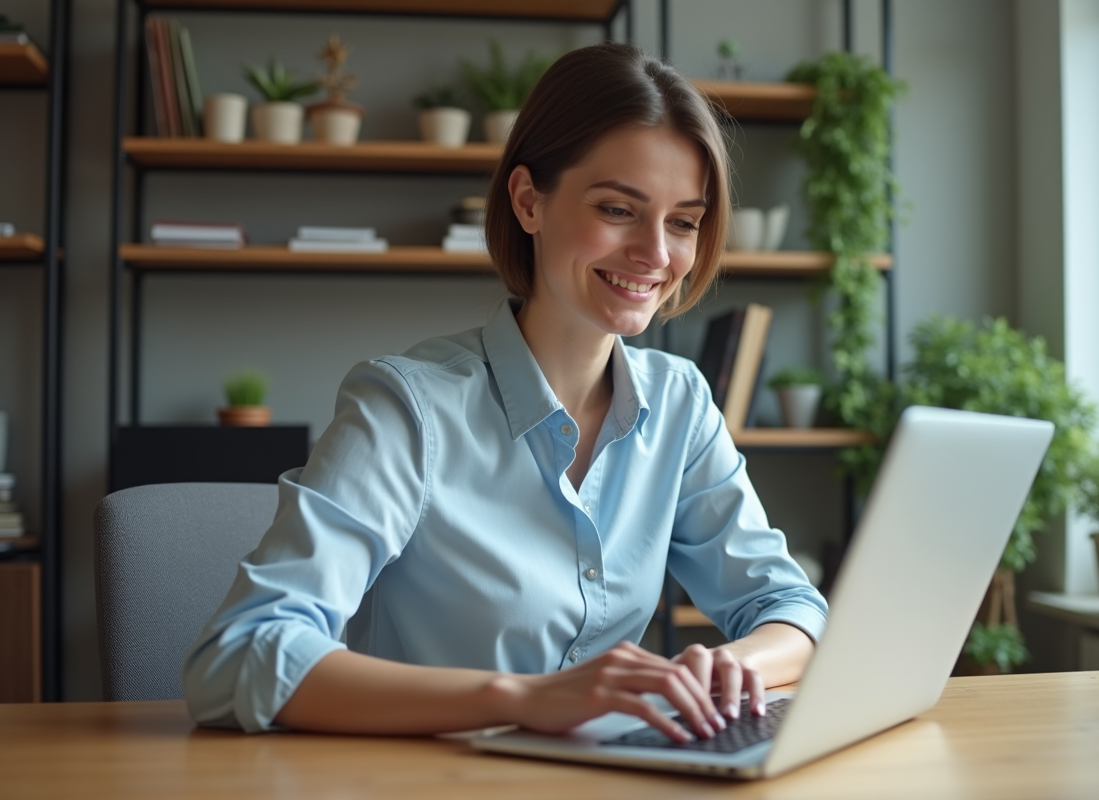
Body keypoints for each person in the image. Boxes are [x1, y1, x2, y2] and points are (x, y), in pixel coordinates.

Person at [183, 42, 828, 744]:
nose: (657, 253)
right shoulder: (406, 409)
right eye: (618, 209)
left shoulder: (679, 404)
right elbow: (238, 655)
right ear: (528, 201)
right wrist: (524, 697)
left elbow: (788, 606)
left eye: (683, 222)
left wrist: (721, 672)